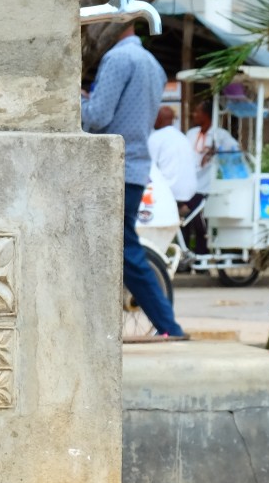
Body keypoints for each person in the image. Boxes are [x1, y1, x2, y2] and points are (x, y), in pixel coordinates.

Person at [81, 30, 185, 338]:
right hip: (136, 169)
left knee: (124, 250)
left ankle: (169, 325)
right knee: (120, 249)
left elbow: (98, 116)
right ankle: (165, 324)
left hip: (113, 170)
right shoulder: (153, 64)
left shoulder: (117, 58)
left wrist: (70, 99)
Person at [147, 106, 206, 255]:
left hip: (169, 193)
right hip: (191, 192)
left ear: (159, 119)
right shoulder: (182, 137)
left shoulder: (155, 138)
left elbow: (149, 168)